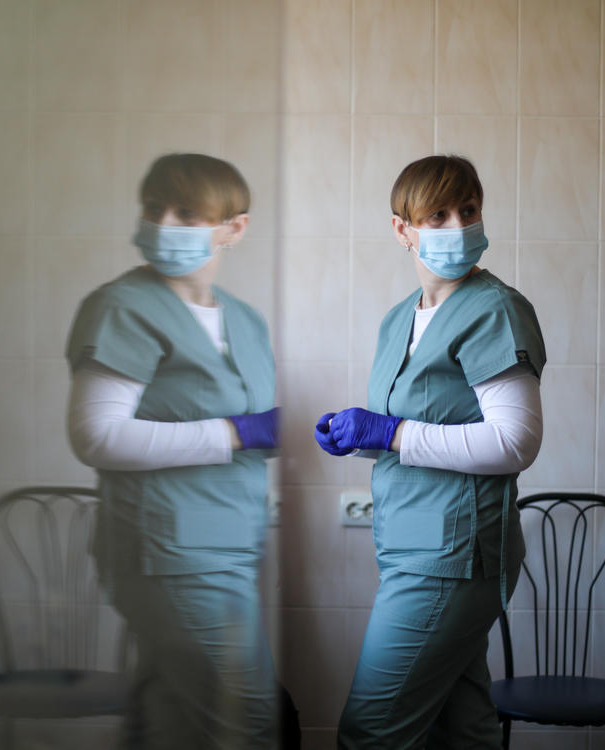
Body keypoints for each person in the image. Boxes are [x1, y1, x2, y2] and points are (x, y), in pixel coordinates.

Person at [315, 155, 546, 748]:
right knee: (459, 725)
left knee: (371, 730)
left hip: (456, 554)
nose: (457, 225)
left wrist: (387, 433)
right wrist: (359, 436)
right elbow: (424, 433)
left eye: (467, 210)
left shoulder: (494, 309)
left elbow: (514, 441)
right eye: (437, 214)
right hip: (409, 543)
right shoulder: (399, 321)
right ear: (402, 229)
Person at [65, 153, 278, 748]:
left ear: (234, 228)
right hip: (167, 554)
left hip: (226, 547)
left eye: (187, 212)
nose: (164, 222)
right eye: (155, 207)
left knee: (169, 721)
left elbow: (248, 425)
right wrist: (236, 433)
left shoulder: (246, 321)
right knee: (246, 719)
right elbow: (97, 435)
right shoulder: (123, 307)